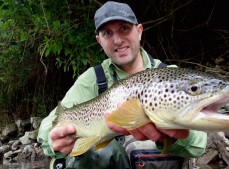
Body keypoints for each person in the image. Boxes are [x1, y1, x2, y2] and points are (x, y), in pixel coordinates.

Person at [37, 1, 207, 169]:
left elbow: (199, 144)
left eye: (124, 28)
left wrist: (172, 137)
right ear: (99, 41)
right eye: (107, 33)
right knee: (98, 151)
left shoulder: (172, 76)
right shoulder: (92, 79)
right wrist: (54, 140)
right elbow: (49, 125)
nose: (117, 40)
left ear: (139, 31)